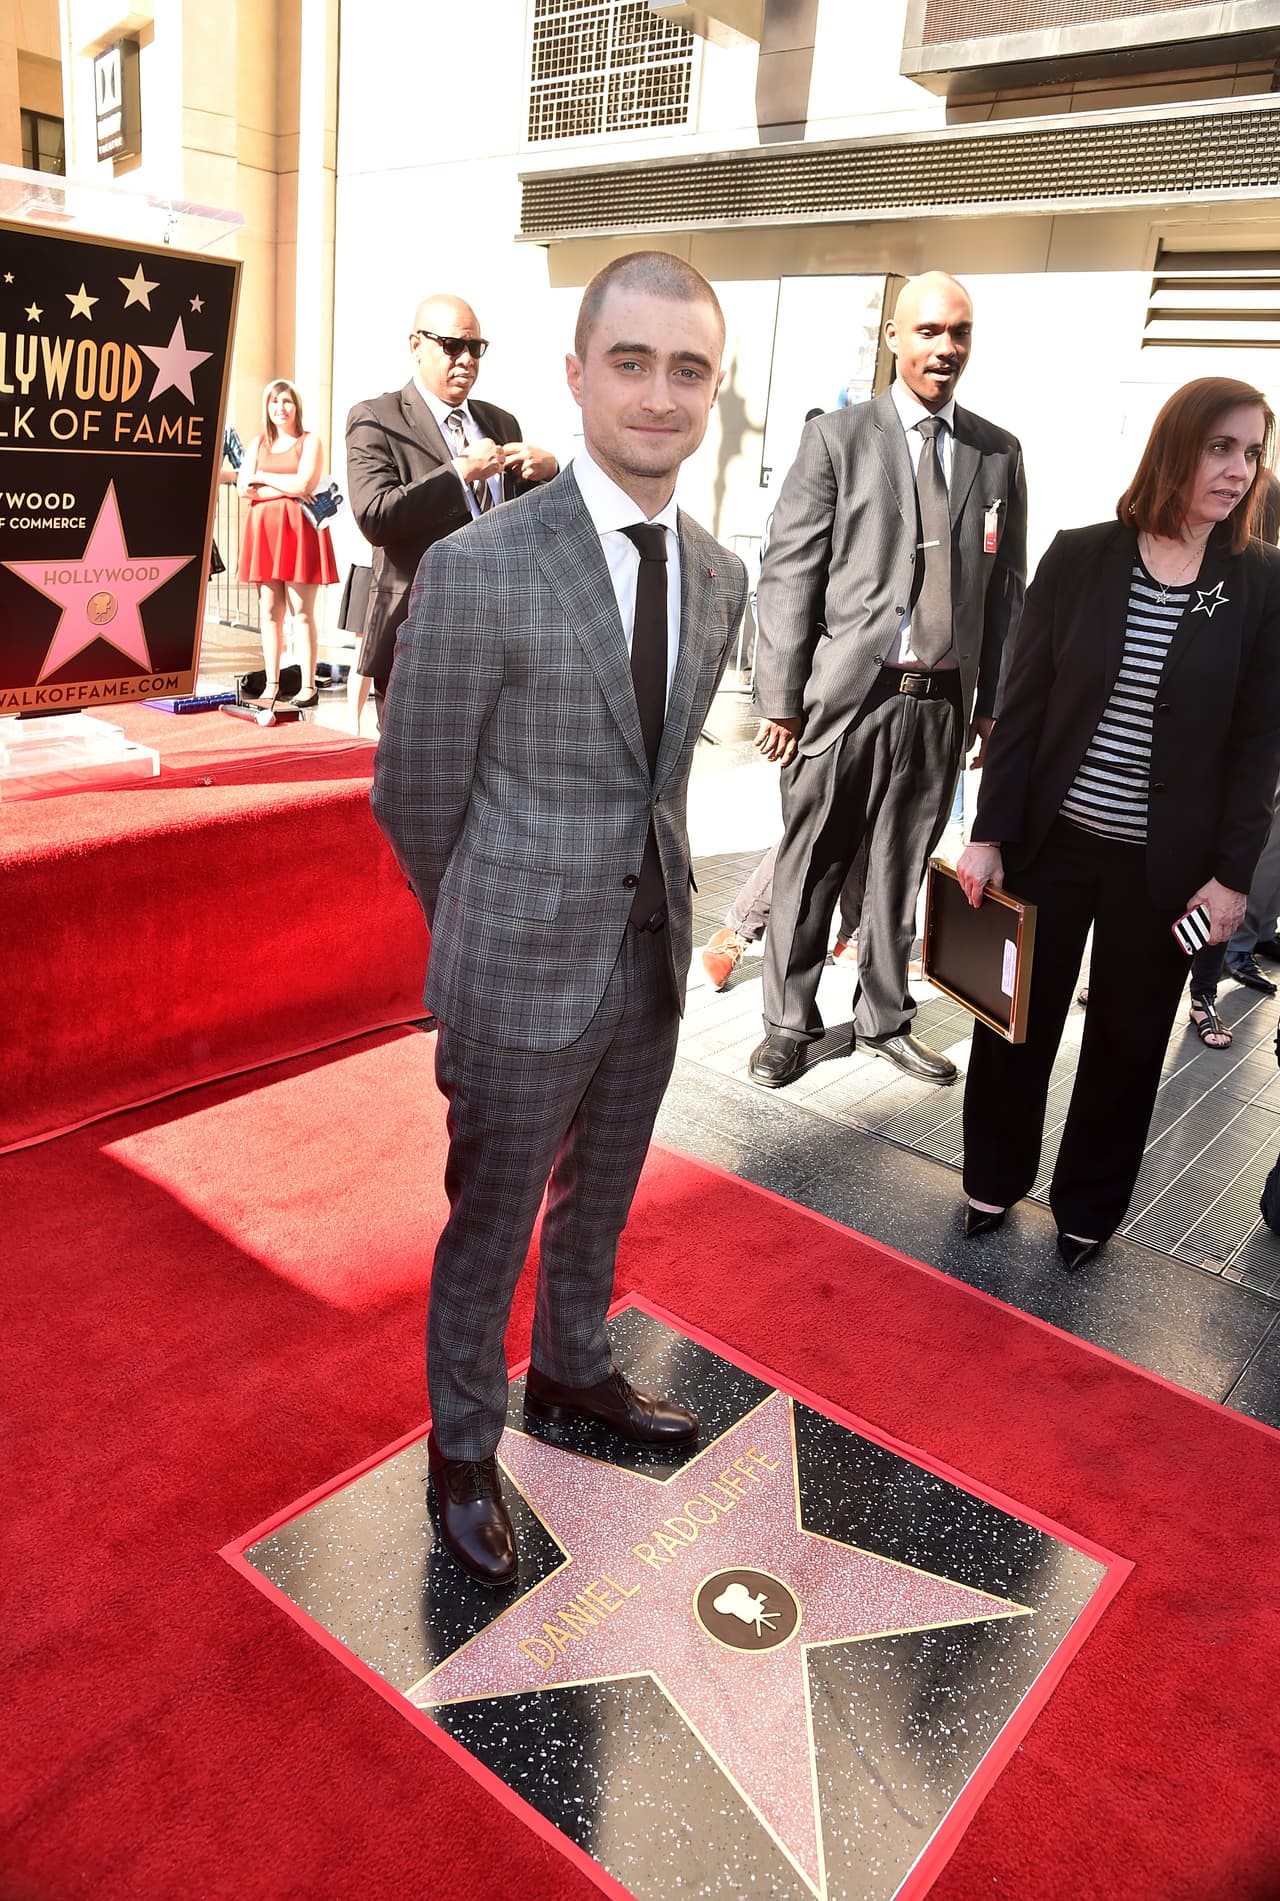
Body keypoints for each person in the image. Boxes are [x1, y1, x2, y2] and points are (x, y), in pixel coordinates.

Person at [371, 252, 746, 1587]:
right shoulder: (482, 568)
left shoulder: (720, 574)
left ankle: (576, 1366)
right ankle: (463, 1452)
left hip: (648, 960)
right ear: (579, 375)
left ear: (716, 392)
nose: (659, 394)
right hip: (517, 965)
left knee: (604, 1197)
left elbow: (663, 772)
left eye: (688, 368)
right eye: (630, 362)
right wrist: (486, 915)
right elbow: (413, 793)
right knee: (491, 1223)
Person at [957, 377, 1280, 1267]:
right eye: (1222, 447)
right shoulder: (1082, 555)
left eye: (1252, 453)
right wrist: (988, 830)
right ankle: (991, 1172)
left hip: (1168, 869)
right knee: (1016, 1023)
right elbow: (1021, 710)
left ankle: (1088, 1207)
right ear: (1176, 449)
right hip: (1049, 842)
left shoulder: (1260, 583)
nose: (1239, 470)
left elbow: (1260, 745)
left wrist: (1232, 876)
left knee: (1129, 1045)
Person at [746, 271, 1026, 1089]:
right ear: (894, 338)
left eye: (960, 332)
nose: (945, 348)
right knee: (814, 861)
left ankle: (883, 1018)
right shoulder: (837, 439)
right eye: (930, 330)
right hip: (847, 699)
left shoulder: (996, 450)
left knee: (901, 866)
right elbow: (790, 574)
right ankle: (787, 1024)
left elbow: (1006, 587)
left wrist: (995, 705)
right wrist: (780, 698)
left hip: (940, 702)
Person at [345, 295, 559, 713]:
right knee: (416, 774)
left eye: (475, 347)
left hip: (501, 637)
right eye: (452, 346)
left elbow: (529, 524)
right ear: (416, 345)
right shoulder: (377, 418)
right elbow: (375, 514)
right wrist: (459, 473)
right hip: (419, 633)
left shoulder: (500, 422)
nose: (466, 359)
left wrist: (551, 474)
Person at [237, 379, 339, 708]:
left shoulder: (310, 442)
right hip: (265, 534)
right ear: (267, 408)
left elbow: (305, 482)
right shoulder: (257, 444)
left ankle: (308, 686)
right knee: (270, 612)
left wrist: (264, 477)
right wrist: (287, 486)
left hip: (298, 533)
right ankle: (272, 683)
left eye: (287, 401)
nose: (281, 407)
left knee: (302, 612)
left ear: (296, 406)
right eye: (274, 402)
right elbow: (243, 488)